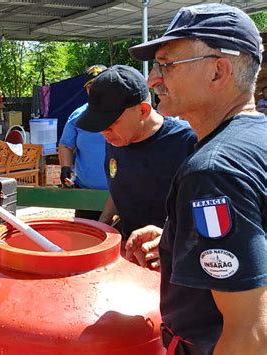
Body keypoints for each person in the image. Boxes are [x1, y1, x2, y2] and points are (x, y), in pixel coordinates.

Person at [126, 4, 266, 354]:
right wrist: (179, 239)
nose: (152, 79)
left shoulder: (214, 170)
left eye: (167, 65)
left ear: (219, 71)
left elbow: (250, 331)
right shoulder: (257, 139)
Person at [76, 65, 196, 239]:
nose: (104, 133)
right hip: (130, 248)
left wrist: (168, 239)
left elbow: (206, 215)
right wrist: (103, 224)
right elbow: (120, 186)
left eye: (110, 124)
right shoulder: (117, 139)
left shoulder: (188, 143)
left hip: (172, 255)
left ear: (143, 110)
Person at [58, 64, 108, 220]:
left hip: (122, 192)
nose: (95, 91)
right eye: (91, 86)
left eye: (101, 85)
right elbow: (66, 145)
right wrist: (65, 167)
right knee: (86, 237)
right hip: (86, 193)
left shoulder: (127, 112)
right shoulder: (78, 116)